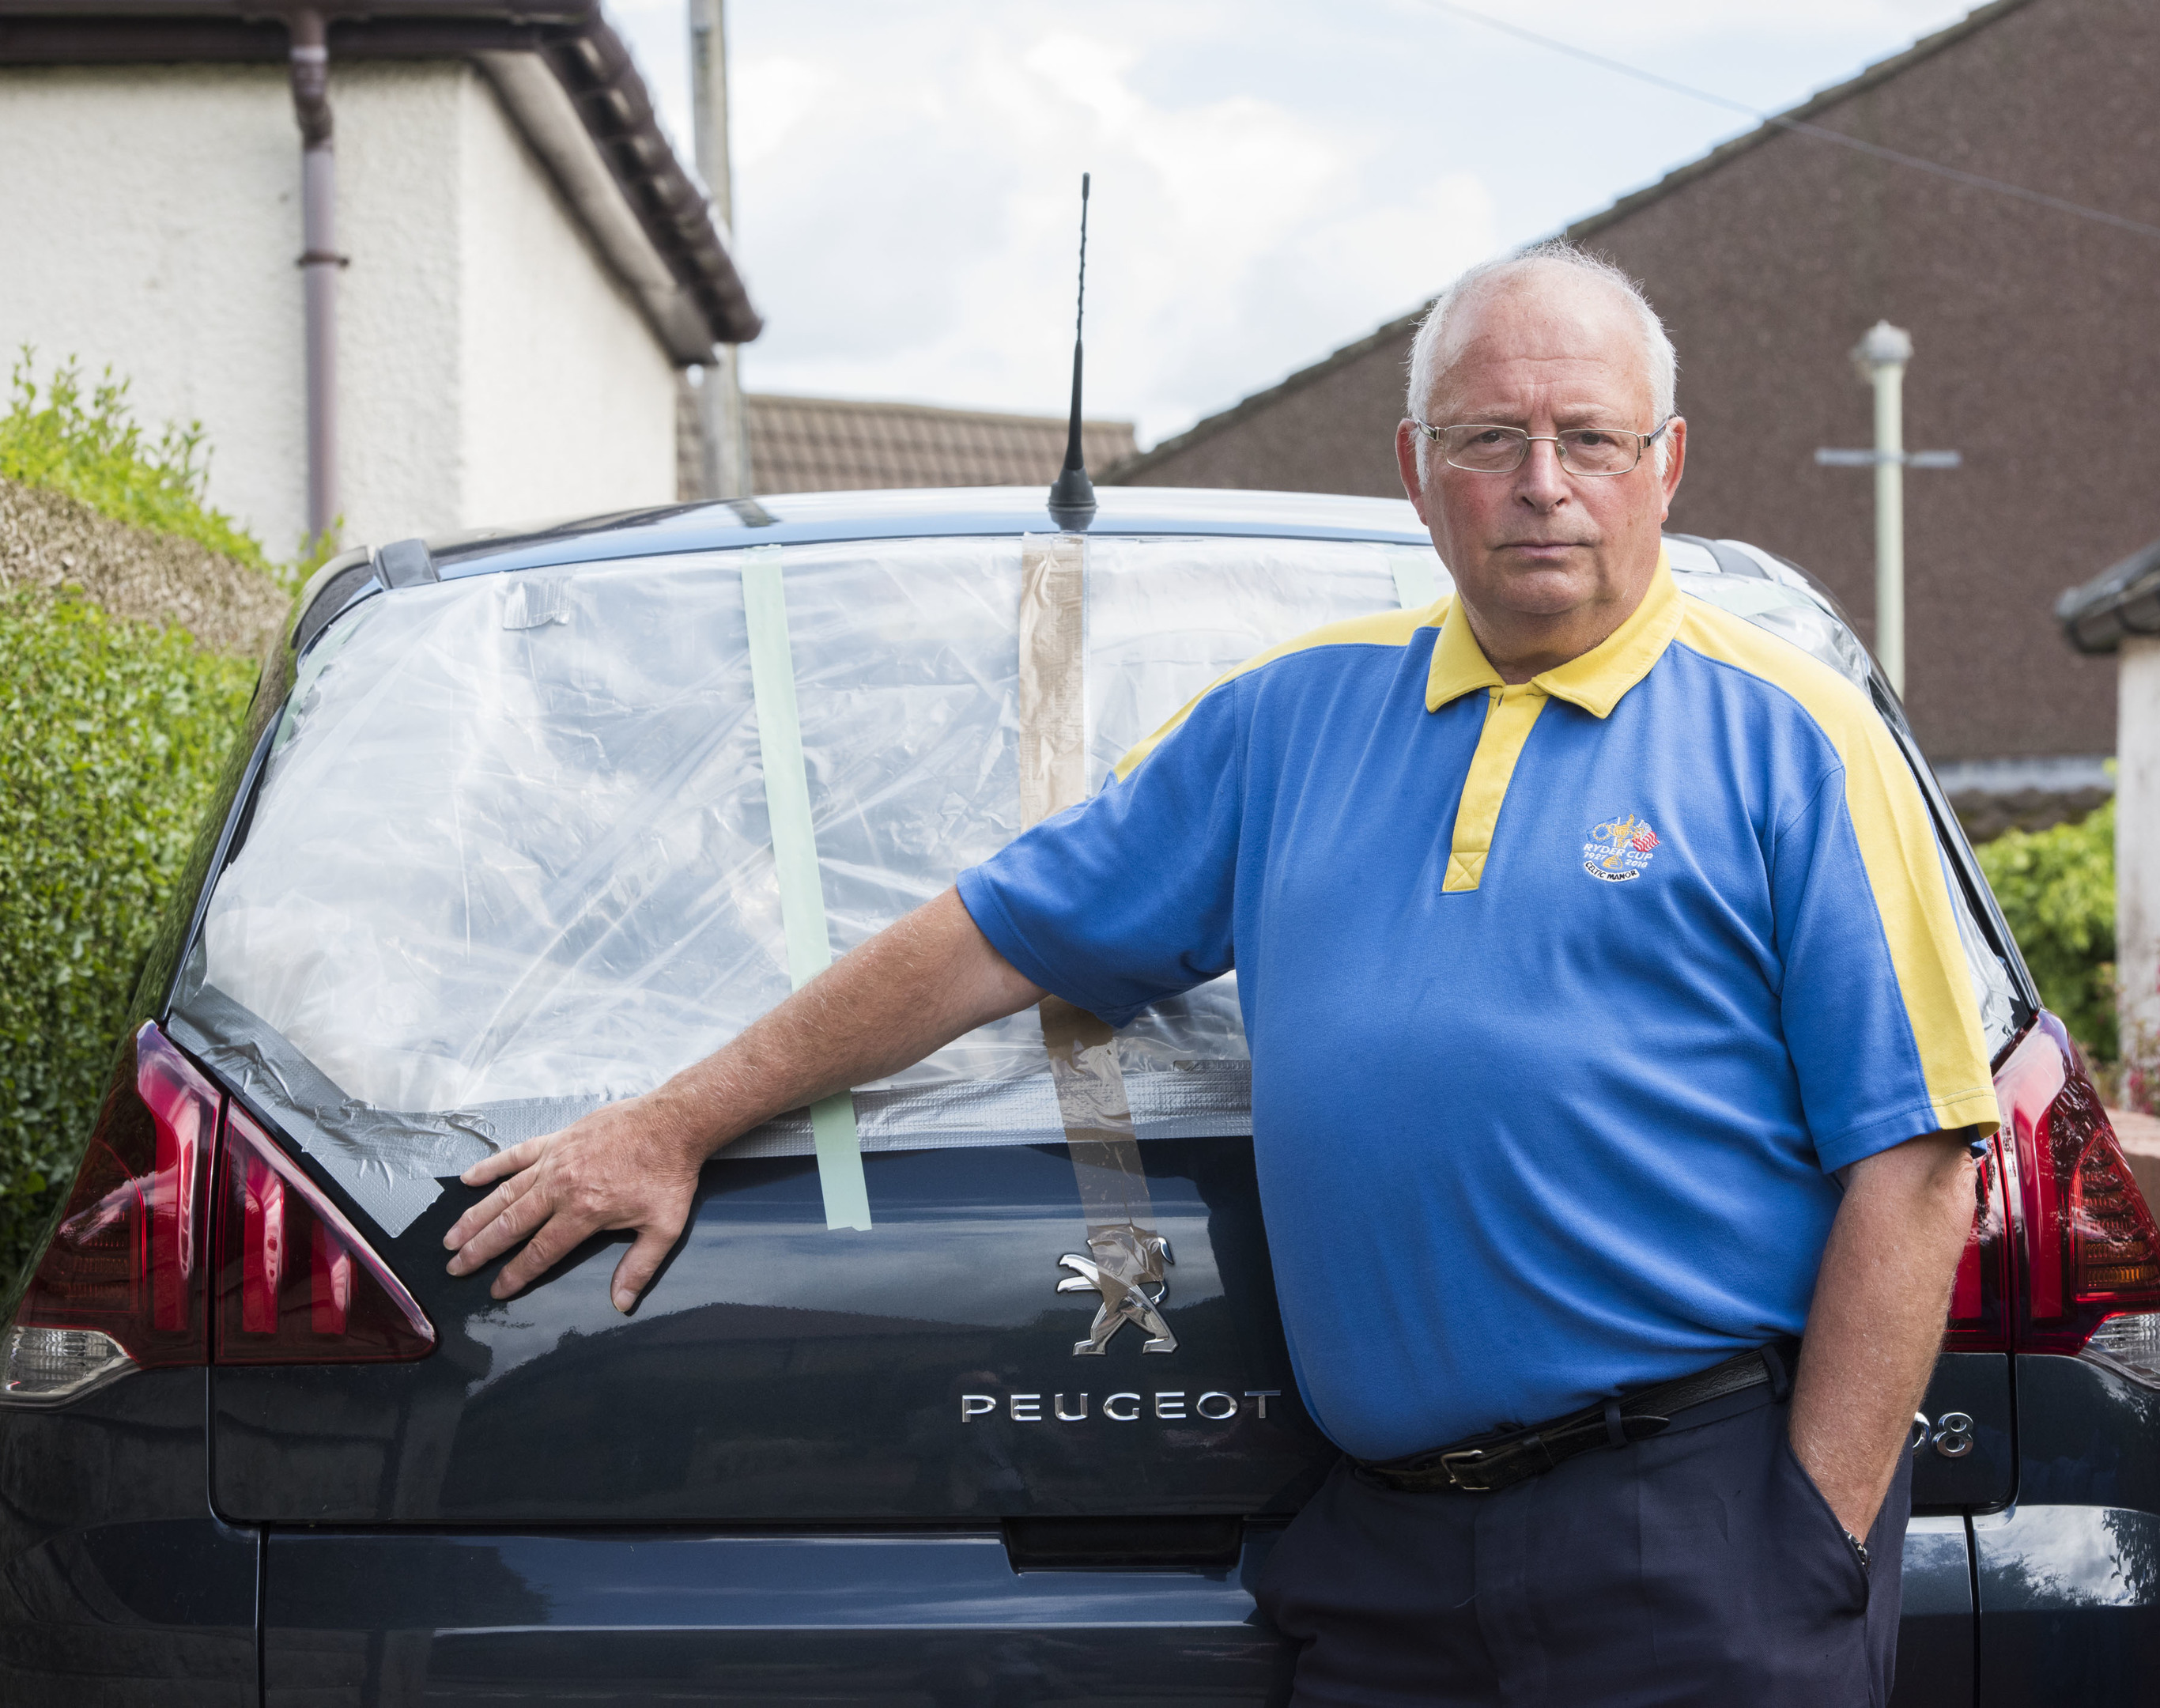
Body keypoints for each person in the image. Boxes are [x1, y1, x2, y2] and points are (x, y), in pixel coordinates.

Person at [439, 239, 1999, 1706]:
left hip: (1689, 1528)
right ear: (1412, 470)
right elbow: (992, 933)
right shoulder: (1290, 723)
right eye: (1486, 439)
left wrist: (1813, 1529)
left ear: (1665, 463)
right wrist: (676, 1120)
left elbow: (1916, 1162)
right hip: (1387, 1547)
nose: (1542, 487)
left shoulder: (1793, 739)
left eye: (1589, 439)